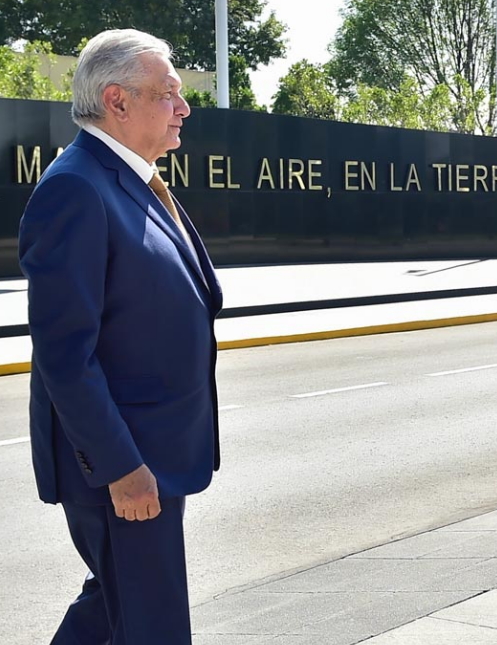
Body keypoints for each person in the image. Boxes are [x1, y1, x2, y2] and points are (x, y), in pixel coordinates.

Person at [18, 29, 223, 644]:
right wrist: (121, 467)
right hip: (124, 465)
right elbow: (65, 354)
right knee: (151, 624)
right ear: (118, 101)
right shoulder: (76, 188)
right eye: (169, 93)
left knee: (115, 611)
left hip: (155, 454)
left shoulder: (131, 177)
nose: (183, 107)